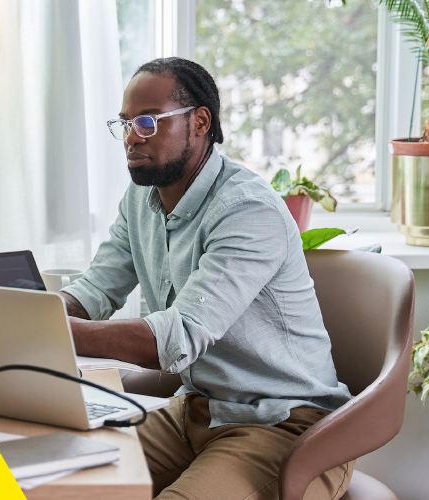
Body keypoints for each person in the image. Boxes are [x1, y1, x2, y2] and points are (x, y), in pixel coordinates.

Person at [58, 57, 354, 500]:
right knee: (48, 476)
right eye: (124, 124)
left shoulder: (247, 210)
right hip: (196, 412)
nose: (131, 137)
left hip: (283, 424)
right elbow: (95, 290)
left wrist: (54, 330)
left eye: (147, 121)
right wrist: (34, 314)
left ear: (199, 122)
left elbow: (176, 336)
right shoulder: (141, 200)